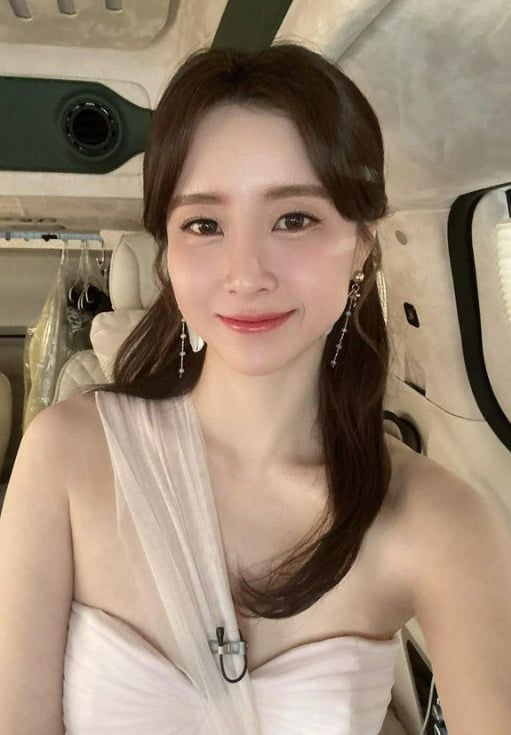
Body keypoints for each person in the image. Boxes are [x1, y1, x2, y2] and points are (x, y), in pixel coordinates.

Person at [1, 41, 510, 735]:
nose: (246, 274)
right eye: (204, 224)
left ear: (362, 245)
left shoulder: (438, 518)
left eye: (294, 218)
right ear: (169, 255)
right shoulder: (65, 455)